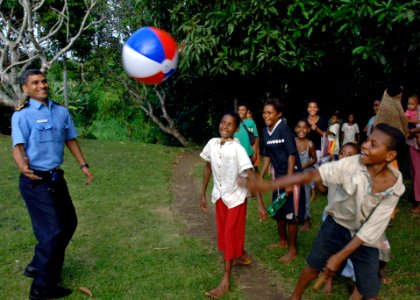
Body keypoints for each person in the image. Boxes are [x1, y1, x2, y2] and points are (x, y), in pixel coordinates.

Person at [245, 123, 406, 300]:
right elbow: (313, 175)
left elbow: (371, 230)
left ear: (390, 155)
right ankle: (295, 297)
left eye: (373, 144)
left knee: (370, 290)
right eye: (367, 141)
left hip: (366, 239)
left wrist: (339, 257)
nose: (365, 146)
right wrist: (270, 185)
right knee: (313, 265)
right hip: (336, 225)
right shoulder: (350, 164)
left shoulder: (395, 187)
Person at [11, 69, 94, 299]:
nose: (42, 85)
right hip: (35, 180)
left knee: (69, 223)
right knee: (53, 231)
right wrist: (22, 166)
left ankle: (37, 265)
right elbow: (18, 146)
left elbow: (70, 139)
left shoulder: (61, 112)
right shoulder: (22, 115)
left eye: (44, 81)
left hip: (56, 178)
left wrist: (83, 165)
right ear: (25, 89)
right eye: (35, 83)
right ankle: (42, 288)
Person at [200, 112, 267, 299]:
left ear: (236, 129)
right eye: (222, 122)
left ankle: (225, 281)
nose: (224, 126)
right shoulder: (212, 143)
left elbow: (251, 174)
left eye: (230, 124)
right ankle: (242, 255)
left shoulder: (238, 149)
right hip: (220, 196)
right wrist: (203, 193)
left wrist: (260, 203)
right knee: (225, 232)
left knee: (229, 234)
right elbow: (207, 168)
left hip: (236, 197)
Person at [260, 98, 305, 263]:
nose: (266, 115)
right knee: (278, 210)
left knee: (291, 214)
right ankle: (282, 241)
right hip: (277, 177)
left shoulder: (284, 130)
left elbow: (292, 156)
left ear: (279, 114)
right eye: (264, 112)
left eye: (270, 113)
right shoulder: (265, 131)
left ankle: (292, 250)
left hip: (291, 176)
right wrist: (261, 175)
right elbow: (267, 156)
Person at [294, 120, 317, 232]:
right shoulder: (292, 142)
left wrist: (304, 165)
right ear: (295, 129)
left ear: (308, 130)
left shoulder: (310, 144)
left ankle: (307, 219)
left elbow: (314, 159)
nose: (301, 130)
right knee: (295, 194)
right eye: (299, 127)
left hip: (306, 173)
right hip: (294, 173)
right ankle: (297, 216)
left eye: (304, 128)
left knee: (306, 195)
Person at [306, 100, 329, 202]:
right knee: (310, 170)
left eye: (314, 107)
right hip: (308, 149)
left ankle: (325, 187)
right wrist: (307, 131)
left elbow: (326, 135)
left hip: (320, 149)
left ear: (318, 109)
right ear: (307, 109)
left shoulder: (323, 120)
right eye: (310, 107)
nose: (312, 109)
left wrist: (317, 129)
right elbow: (301, 134)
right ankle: (313, 193)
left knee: (320, 171)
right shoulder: (304, 120)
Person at [407, 94, 420, 214]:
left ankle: (418, 202)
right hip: (412, 143)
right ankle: (416, 199)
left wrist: (413, 131)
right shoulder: (409, 111)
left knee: (418, 172)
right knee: (415, 172)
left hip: (417, 142)